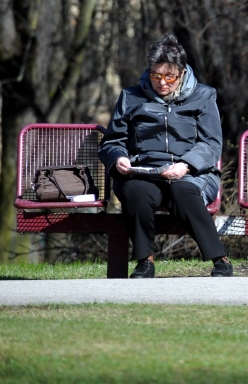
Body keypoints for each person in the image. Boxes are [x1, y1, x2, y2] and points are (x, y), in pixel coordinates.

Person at [99, 33, 232, 278]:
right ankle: (144, 261)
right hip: (144, 171)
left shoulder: (204, 96)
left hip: (192, 172)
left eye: (169, 76)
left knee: (182, 192)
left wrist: (186, 165)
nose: (162, 83)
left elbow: (211, 143)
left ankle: (219, 258)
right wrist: (118, 157)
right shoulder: (131, 97)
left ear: (182, 73)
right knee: (135, 192)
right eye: (156, 75)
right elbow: (112, 141)